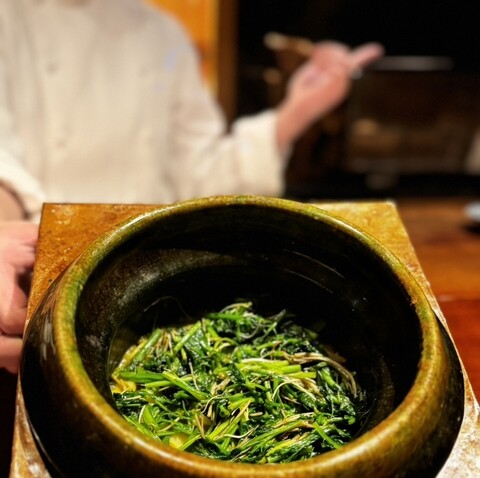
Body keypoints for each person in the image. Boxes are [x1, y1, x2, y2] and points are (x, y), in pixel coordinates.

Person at [0, 0, 384, 374]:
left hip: (148, 286)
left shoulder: (161, 32)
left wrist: (295, 113)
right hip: (37, 279)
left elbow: (203, 178)